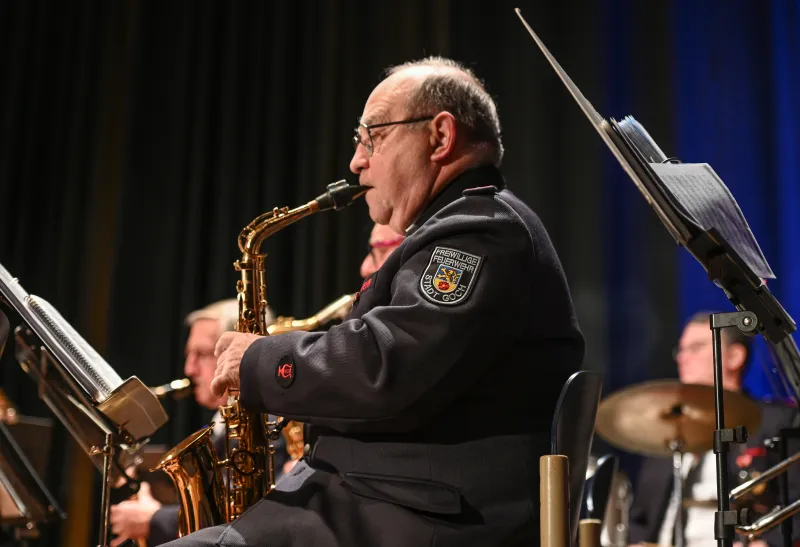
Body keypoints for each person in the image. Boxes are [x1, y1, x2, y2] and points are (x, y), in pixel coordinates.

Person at [164, 56, 585, 547]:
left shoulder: (481, 231)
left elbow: (387, 364)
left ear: (440, 136)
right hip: (371, 504)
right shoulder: (459, 228)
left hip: (407, 519)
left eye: (372, 137)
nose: (356, 161)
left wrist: (258, 360)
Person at [109, 300, 288, 547]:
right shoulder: (220, 423)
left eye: (201, 355)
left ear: (237, 353)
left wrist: (153, 519)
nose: (188, 369)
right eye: (188, 356)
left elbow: (246, 514)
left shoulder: (269, 426)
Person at [627, 311, 798, 547]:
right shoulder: (667, 429)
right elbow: (639, 519)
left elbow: (795, 507)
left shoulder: (774, 422)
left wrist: (766, 543)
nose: (683, 358)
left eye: (695, 348)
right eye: (681, 350)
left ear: (734, 357)